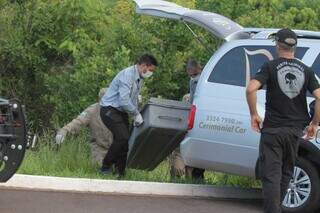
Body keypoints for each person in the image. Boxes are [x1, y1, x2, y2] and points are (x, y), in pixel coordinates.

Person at [246, 28, 320, 213]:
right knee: (286, 172)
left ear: (277, 45)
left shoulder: (270, 67)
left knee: (272, 175)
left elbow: (250, 89)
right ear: (294, 47)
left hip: (272, 130)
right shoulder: (306, 70)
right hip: (295, 131)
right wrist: (314, 124)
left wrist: (254, 114)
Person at [100, 53, 158, 177]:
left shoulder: (139, 78)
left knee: (124, 143)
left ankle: (120, 172)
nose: (150, 73)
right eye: (150, 70)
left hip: (121, 111)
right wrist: (136, 114)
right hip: (109, 109)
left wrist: (137, 112)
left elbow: (133, 99)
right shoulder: (127, 75)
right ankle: (105, 167)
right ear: (143, 66)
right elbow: (124, 100)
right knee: (122, 137)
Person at [55, 88, 113, 165]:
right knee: (100, 169)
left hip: (116, 148)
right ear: (100, 100)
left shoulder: (118, 110)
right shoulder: (92, 111)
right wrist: (64, 131)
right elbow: (78, 122)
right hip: (99, 148)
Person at [170, 59, 205, 180]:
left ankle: (187, 177)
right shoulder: (198, 78)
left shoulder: (198, 80)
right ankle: (193, 177)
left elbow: (193, 101)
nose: (192, 77)